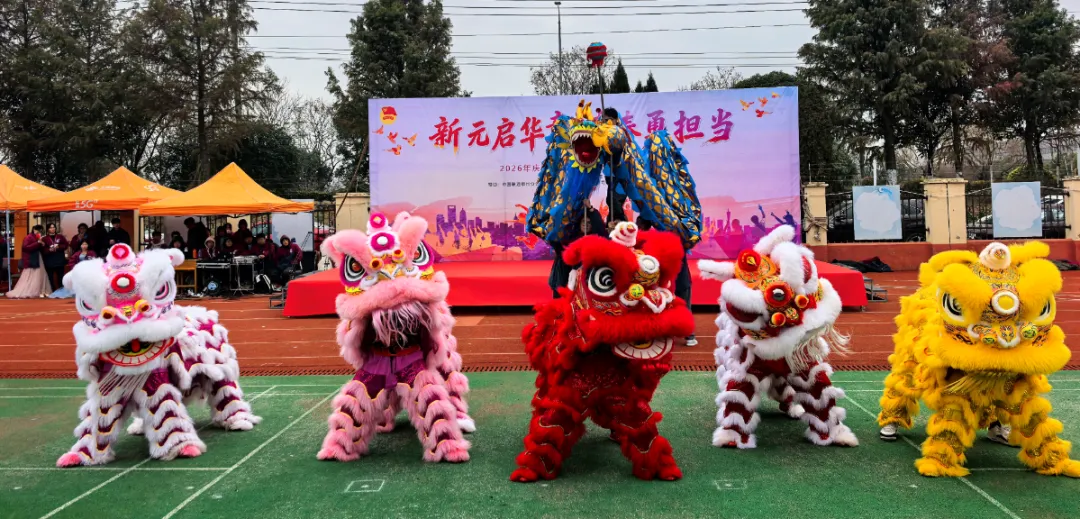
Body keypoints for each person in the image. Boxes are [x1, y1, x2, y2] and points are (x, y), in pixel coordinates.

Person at [637, 216, 697, 347]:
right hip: (660, 280)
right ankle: (659, 334)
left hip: (679, 278)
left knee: (682, 305)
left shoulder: (673, 232)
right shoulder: (645, 237)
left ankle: (689, 334)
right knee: (657, 306)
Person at [548, 200, 606, 298]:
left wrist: (591, 209)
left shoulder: (596, 239)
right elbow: (555, 241)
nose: (586, 224)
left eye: (589, 222)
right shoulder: (570, 237)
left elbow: (601, 230)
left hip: (585, 283)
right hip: (563, 278)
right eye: (583, 222)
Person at [6, 225, 50, 298]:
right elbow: (25, 247)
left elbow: (38, 247)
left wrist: (42, 244)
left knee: (39, 275)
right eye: (38, 231)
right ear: (34, 230)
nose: (38, 232)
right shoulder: (28, 237)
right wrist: (37, 243)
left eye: (40, 231)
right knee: (30, 276)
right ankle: (30, 290)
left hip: (37, 257)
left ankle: (40, 290)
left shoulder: (37, 237)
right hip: (31, 258)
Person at [42, 223, 68, 291]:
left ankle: (61, 290)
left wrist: (59, 246)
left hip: (59, 260)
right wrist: (49, 250)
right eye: (50, 228)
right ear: (47, 229)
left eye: (53, 227)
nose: (52, 229)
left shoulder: (60, 236)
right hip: (49, 261)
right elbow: (43, 250)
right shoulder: (44, 238)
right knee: (50, 277)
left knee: (61, 277)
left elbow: (66, 245)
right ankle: (52, 290)